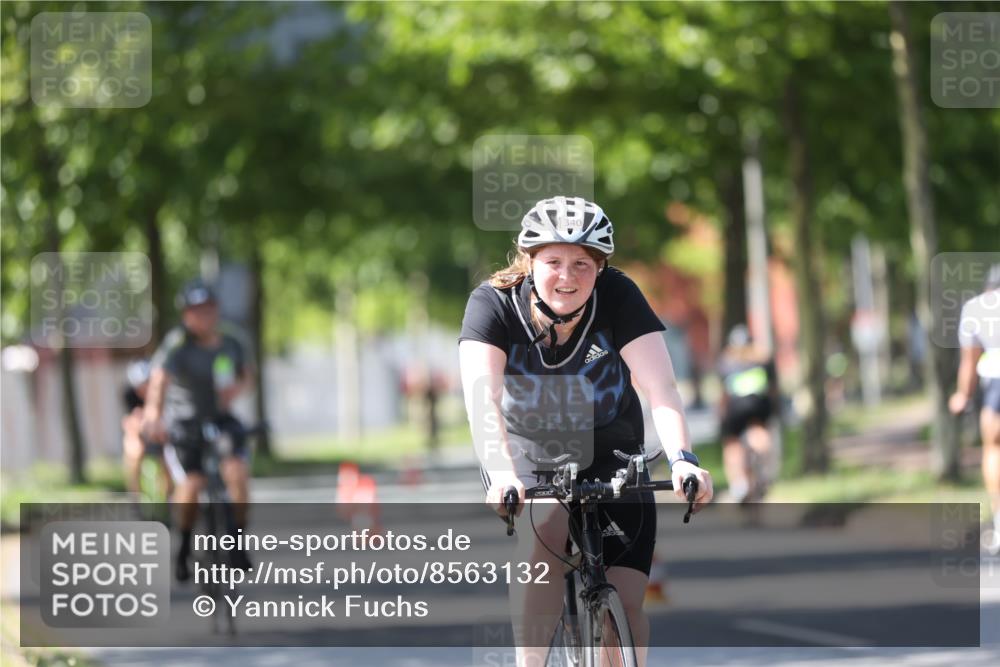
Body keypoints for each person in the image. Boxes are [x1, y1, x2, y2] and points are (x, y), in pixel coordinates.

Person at [458, 196, 713, 667]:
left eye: (582, 264)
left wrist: (682, 459)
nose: (567, 276)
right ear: (529, 262)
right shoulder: (491, 304)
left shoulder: (619, 296)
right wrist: (502, 474)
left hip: (610, 438)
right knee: (548, 523)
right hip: (527, 445)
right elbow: (483, 400)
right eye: (553, 262)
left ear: (601, 268)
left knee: (629, 600)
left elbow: (660, 387)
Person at [142, 278, 255, 580]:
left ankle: (236, 539)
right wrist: (154, 413)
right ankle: (185, 544)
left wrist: (237, 389)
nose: (204, 317)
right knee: (191, 485)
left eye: (208, 309)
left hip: (220, 418)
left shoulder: (232, 341)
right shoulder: (176, 344)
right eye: (197, 311)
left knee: (237, 472)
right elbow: (158, 381)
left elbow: (247, 376)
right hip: (185, 423)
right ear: (186, 315)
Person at [949, 264, 1000, 555]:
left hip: (996, 383)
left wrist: (961, 395)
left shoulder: (976, 307)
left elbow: (969, 361)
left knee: (993, 448)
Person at [717, 324, 779, 503]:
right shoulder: (763, 360)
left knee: (732, 443)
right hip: (759, 404)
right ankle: (765, 472)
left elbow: (724, 395)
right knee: (759, 431)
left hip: (736, 407)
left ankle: (739, 484)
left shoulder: (726, 362)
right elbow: (773, 390)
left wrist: (721, 415)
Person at [121, 358, 174, 501]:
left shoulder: (163, 393)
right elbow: (130, 420)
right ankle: (135, 495)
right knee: (134, 452)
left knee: (169, 459)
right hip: (141, 435)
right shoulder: (129, 395)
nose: (144, 389)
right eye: (141, 386)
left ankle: (170, 496)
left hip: (161, 436)